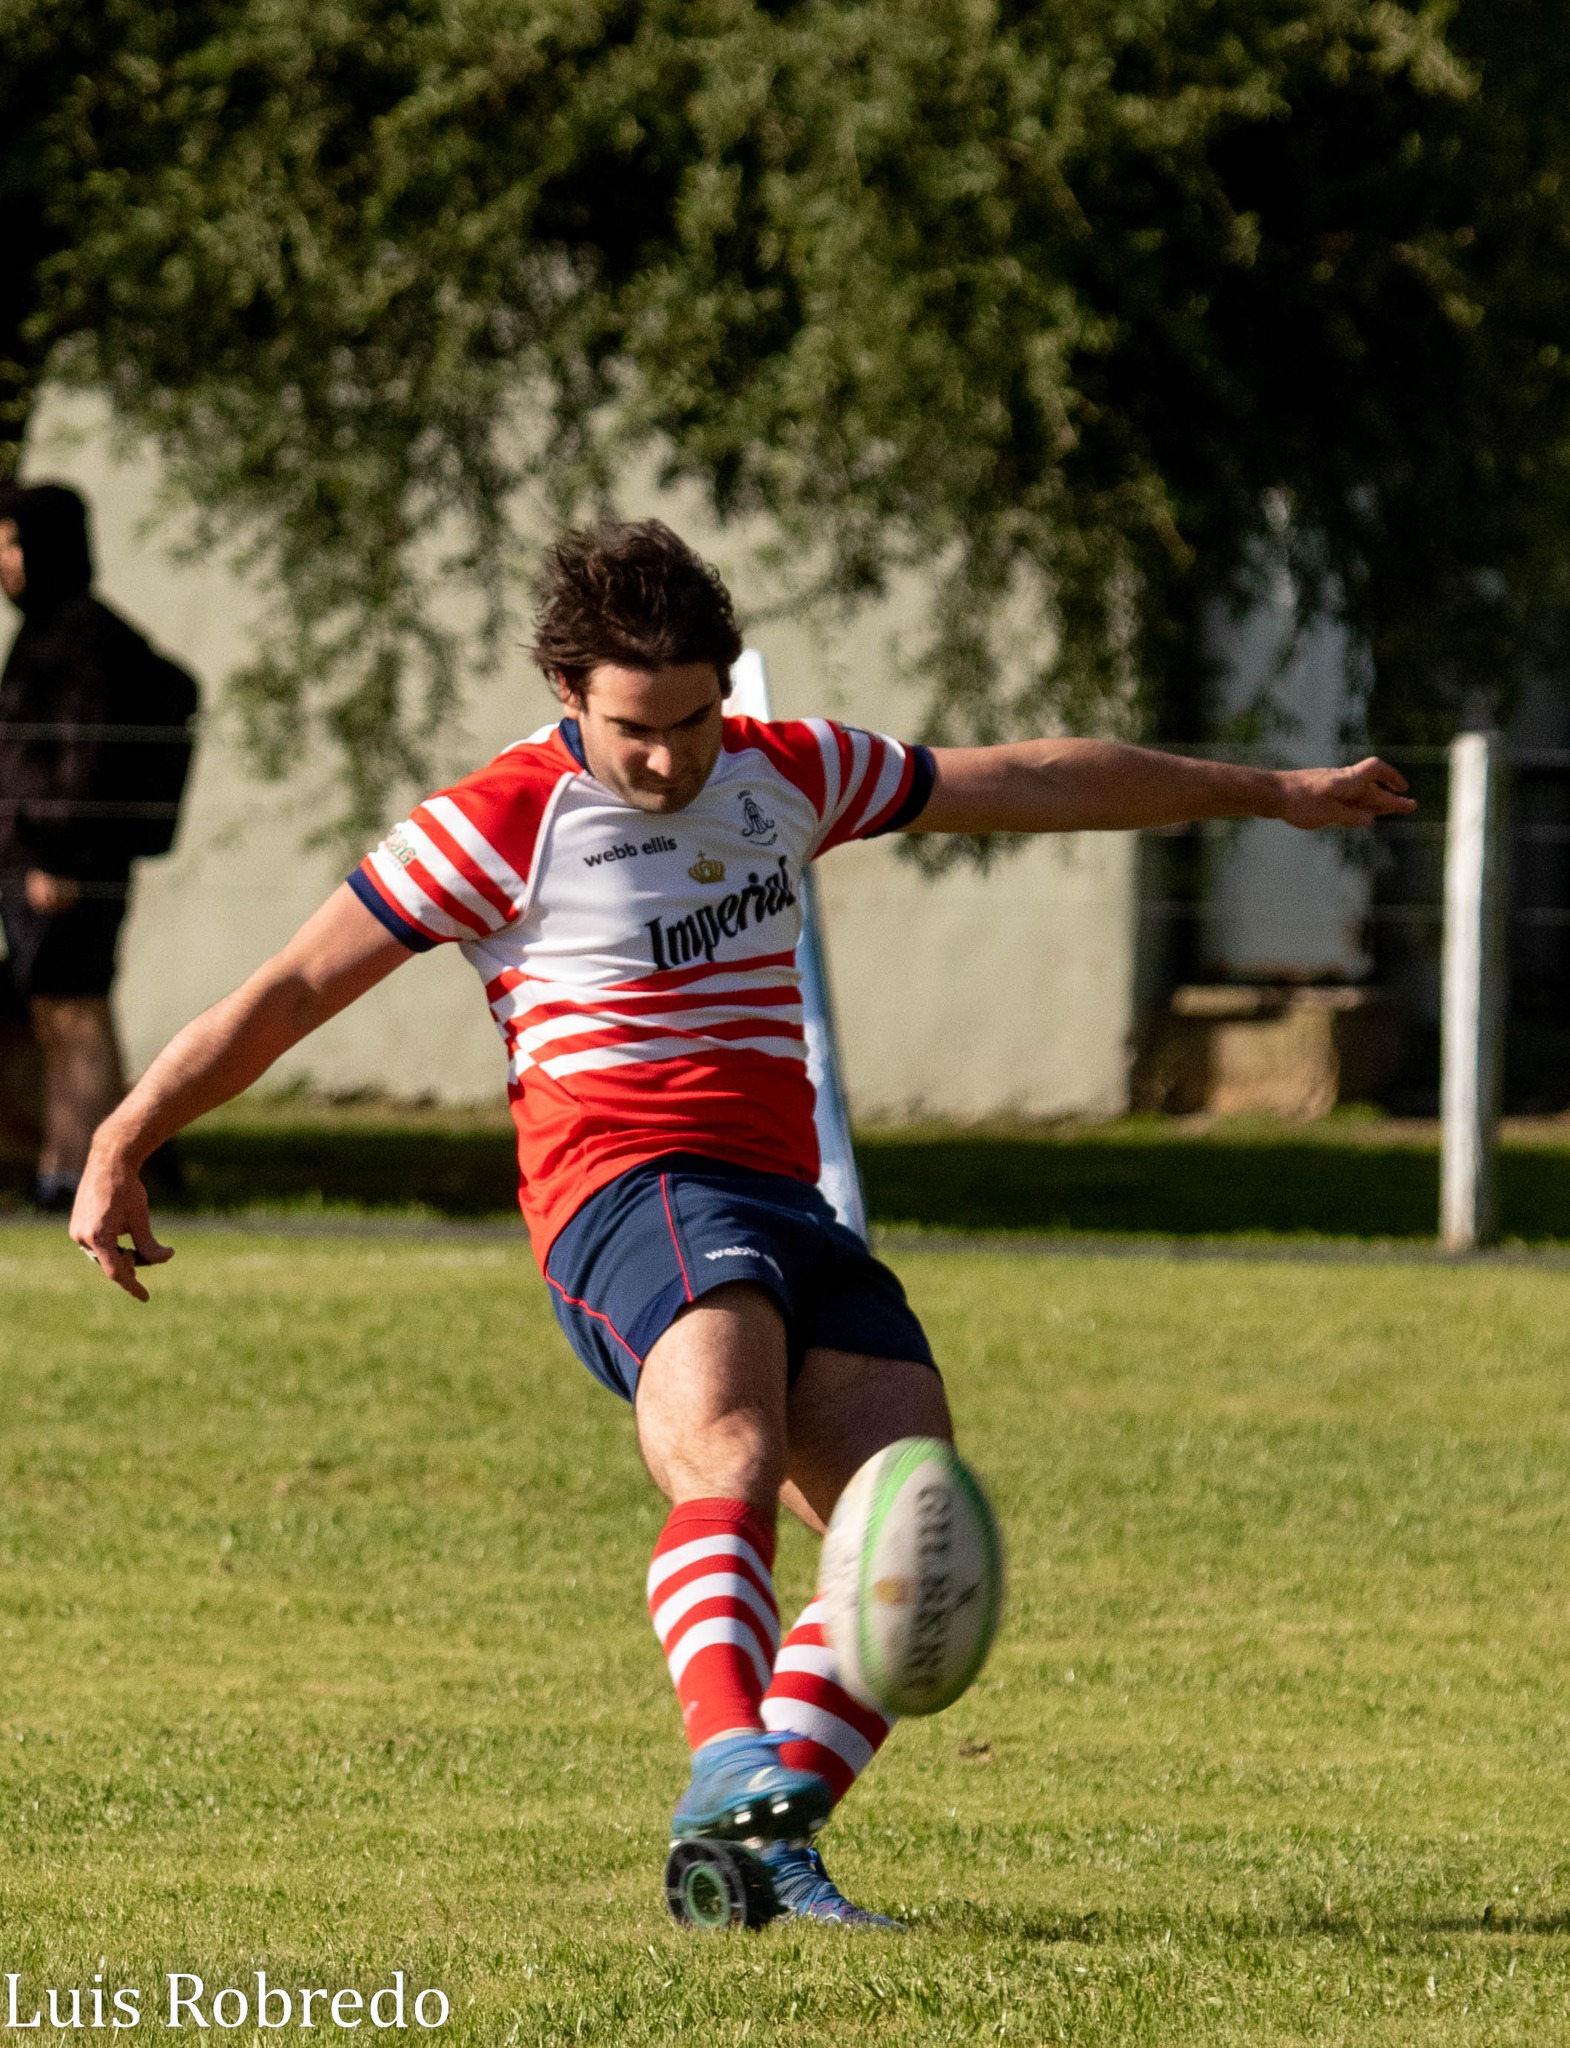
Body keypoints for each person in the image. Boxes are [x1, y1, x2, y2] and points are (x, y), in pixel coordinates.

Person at [68, 520, 1414, 1926]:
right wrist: (122, 1139)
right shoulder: (495, 825)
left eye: (697, 718)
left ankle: (759, 1855)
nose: (672, 758)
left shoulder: (785, 771)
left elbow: (1026, 777)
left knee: (906, 1526)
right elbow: (287, 991)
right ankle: (726, 1756)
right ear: (568, 694)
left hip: (784, 1198)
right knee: (729, 1436)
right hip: (620, 1187)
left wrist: (1268, 790)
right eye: (637, 730)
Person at [0, 482, 198, 1211]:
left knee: (73, 1013)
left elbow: (86, 759)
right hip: (42, 862)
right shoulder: (52, 630)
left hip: (65, 867)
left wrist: (59, 856)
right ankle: (79, 1165)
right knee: (59, 1016)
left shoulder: (81, 638)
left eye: (16, 543)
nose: (5, 561)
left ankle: (82, 1172)